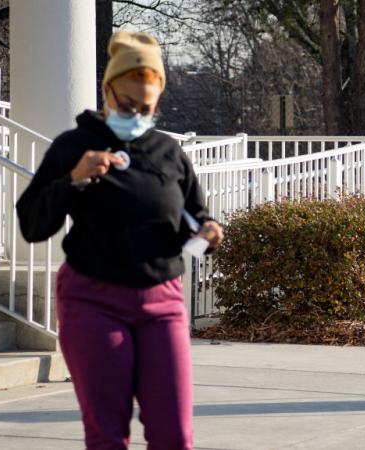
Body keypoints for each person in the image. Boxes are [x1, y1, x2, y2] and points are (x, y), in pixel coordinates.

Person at [16, 30, 222, 450]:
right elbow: (32, 224)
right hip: (93, 299)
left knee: (175, 434)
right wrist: (73, 180)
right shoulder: (74, 147)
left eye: (146, 107)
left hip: (162, 301)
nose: (136, 113)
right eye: (127, 104)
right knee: (107, 435)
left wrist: (207, 231)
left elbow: (192, 217)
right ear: (108, 90)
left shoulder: (169, 153)